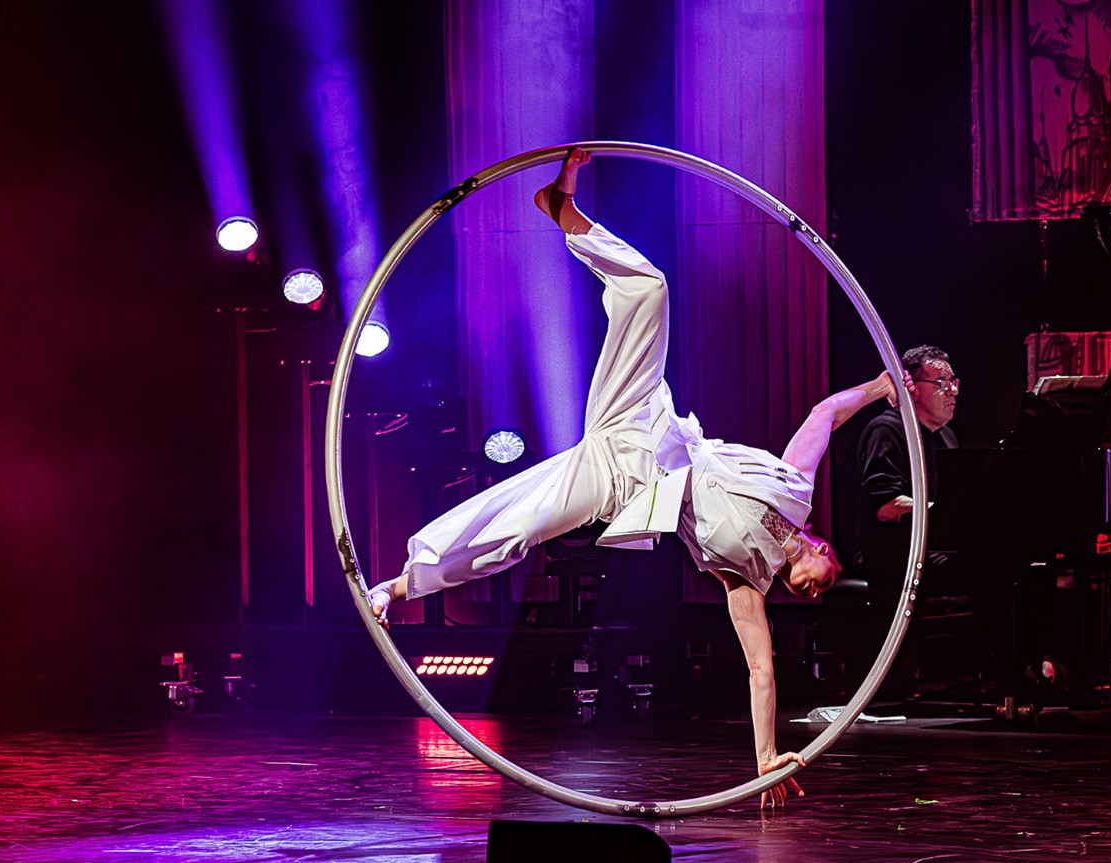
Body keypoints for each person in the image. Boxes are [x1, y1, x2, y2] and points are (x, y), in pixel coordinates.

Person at [367, 149, 899, 808]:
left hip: (623, 485)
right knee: (649, 291)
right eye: (827, 578)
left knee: (518, 526)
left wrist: (766, 757)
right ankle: (564, 211)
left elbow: (760, 670)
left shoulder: (744, 580)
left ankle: (399, 585)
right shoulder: (793, 487)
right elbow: (825, 414)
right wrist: (879, 387)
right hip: (644, 424)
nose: (817, 593)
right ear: (822, 546)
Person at [853, 345, 959, 607]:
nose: (953, 390)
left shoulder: (947, 437)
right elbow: (885, 507)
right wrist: (944, 512)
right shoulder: (886, 430)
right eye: (942, 383)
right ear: (912, 388)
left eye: (953, 381)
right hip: (895, 553)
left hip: (933, 548)